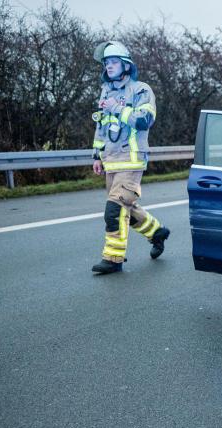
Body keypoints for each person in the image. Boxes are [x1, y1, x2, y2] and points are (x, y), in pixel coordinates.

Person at [89, 40, 169, 275]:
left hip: (131, 159)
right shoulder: (106, 91)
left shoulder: (141, 90)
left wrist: (118, 109)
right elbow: (101, 127)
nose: (109, 66)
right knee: (126, 208)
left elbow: (145, 120)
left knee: (114, 211)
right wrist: (97, 155)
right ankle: (157, 233)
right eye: (106, 63)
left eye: (113, 62)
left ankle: (113, 259)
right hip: (111, 161)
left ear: (126, 65)